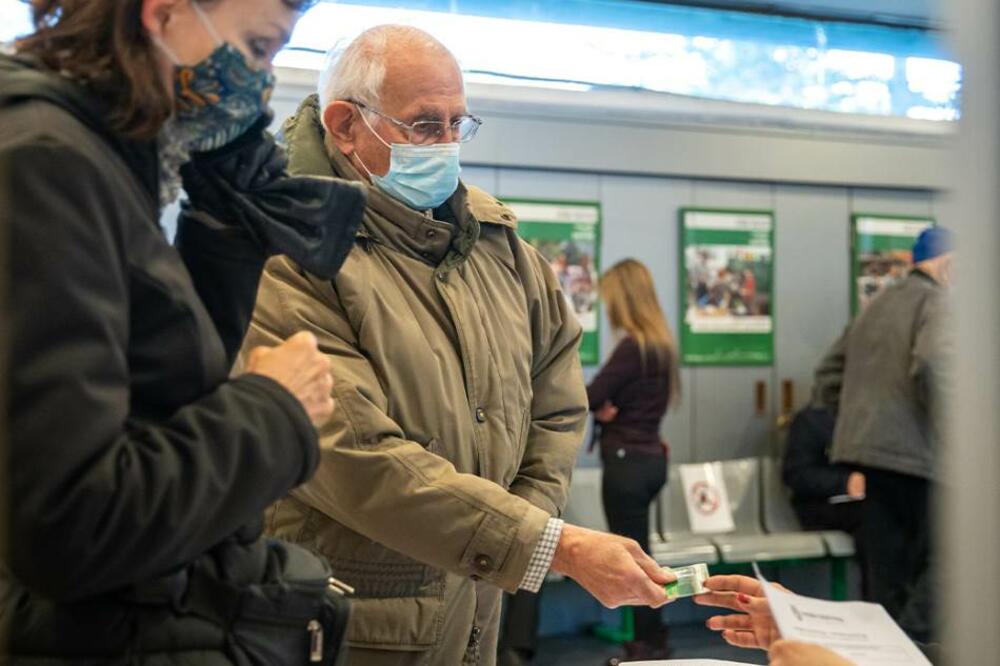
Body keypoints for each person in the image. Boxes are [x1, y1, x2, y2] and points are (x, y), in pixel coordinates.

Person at [241, 26, 674, 666]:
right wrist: (543, 545)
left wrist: (518, 527)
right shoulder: (289, 257)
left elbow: (555, 404)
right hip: (344, 621)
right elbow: (354, 454)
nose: (444, 144)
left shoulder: (502, 250)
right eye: (422, 125)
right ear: (345, 125)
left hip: (475, 610)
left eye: (456, 123)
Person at [1, 0, 368, 660]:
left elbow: (160, 396)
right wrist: (274, 408)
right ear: (164, 13)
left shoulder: (113, 161)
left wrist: (225, 228)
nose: (262, 81)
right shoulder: (48, 161)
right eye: (257, 48)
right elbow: (67, 526)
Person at [814, 226, 953, 643]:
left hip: (872, 459)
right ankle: (914, 646)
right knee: (949, 563)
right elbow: (934, 362)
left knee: (886, 576)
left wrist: (862, 421)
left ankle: (886, 650)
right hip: (924, 460)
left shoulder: (877, 304)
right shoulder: (939, 301)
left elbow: (827, 375)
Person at [586, 259, 681, 664]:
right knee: (643, 554)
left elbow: (588, 396)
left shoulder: (632, 347)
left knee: (632, 561)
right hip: (650, 459)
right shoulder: (660, 345)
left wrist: (604, 409)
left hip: (626, 463)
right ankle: (652, 636)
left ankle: (647, 647)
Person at [780, 402, 866, 597]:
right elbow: (796, 474)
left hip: (866, 503)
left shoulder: (876, 416)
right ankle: (881, 602)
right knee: (877, 522)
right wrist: (844, 482)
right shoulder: (813, 419)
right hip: (821, 506)